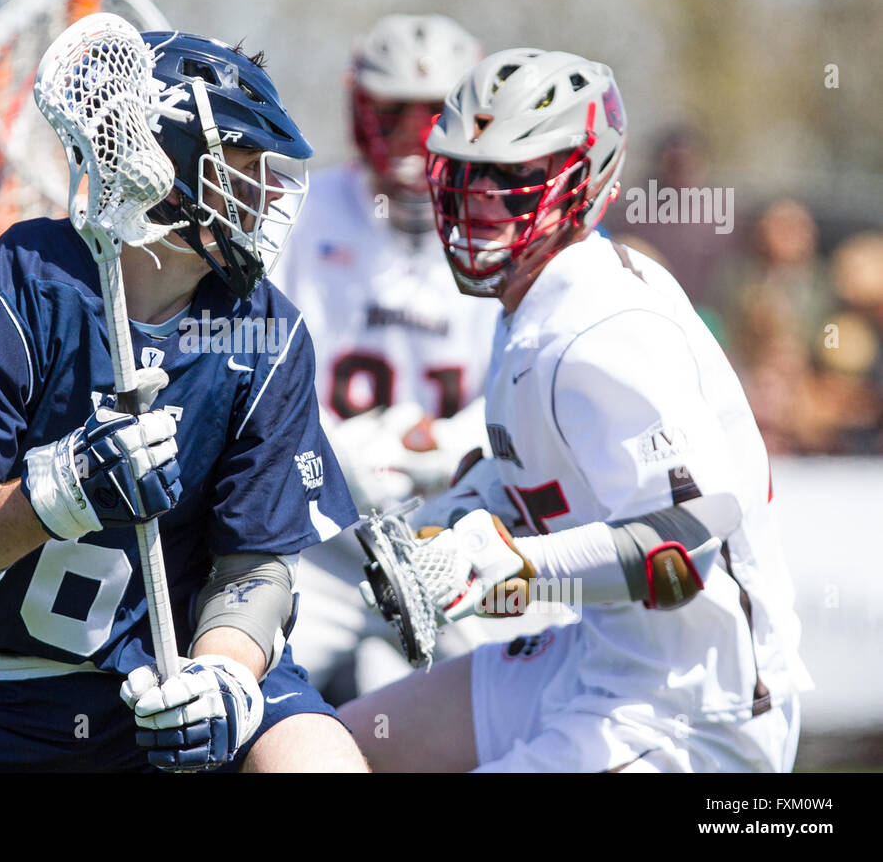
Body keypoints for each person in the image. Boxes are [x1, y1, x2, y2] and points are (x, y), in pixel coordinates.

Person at [0, 31, 368, 772]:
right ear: (162, 170)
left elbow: (255, 570)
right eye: (241, 167)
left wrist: (225, 679)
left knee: (317, 758)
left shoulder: (265, 329)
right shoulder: (24, 281)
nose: (269, 193)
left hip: (173, 685)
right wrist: (57, 496)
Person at [340, 48, 812, 772]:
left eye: (517, 177)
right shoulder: (536, 299)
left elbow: (682, 547)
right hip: (597, 655)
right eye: (467, 172)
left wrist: (514, 567)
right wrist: (455, 516)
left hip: (695, 708)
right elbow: (548, 478)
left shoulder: (602, 328)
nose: (483, 201)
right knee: (325, 748)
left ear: (586, 180)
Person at [273, 15, 504, 701]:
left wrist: (456, 445)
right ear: (358, 109)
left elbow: (537, 382)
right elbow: (249, 363)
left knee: (504, 714)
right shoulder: (296, 212)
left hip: (455, 535)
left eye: (435, 114)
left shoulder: (506, 226)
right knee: (248, 698)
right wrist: (326, 450)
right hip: (322, 538)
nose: (414, 135)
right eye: (393, 112)